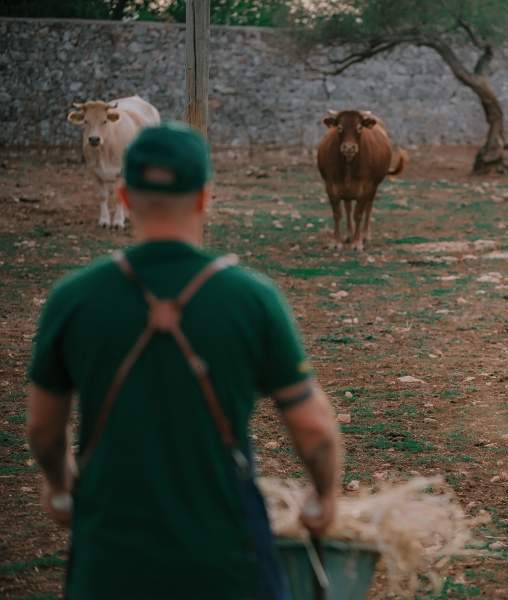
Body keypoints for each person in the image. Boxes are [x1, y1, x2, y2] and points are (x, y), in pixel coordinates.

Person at [26, 122, 342, 599]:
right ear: (204, 198)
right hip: (226, 553)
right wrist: (323, 498)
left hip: (109, 553)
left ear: (127, 196)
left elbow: (43, 430)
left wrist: (59, 486)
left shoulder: (73, 298)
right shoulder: (250, 298)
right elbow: (314, 430)